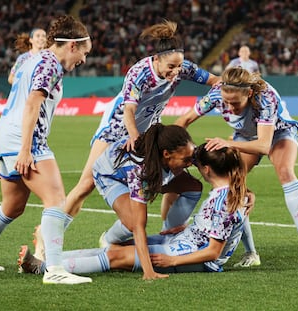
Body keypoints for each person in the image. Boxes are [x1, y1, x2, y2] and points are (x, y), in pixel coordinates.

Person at [30, 20, 220, 261]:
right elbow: (129, 109)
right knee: (85, 185)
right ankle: (46, 241)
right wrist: (134, 137)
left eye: (179, 67)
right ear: (157, 59)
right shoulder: (140, 72)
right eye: (171, 67)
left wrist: (232, 86)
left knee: (161, 180)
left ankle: (133, 236)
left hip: (147, 134)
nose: (175, 73)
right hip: (117, 129)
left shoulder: (182, 68)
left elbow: (215, 81)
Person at [0, 15, 93, 285]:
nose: (84, 59)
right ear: (71, 46)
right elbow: (33, 104)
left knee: (12, 207)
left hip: (5, 135)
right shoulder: (51, 64)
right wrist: (24, 150)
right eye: (84, 52)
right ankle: (54, 269)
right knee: (56, 198)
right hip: (23, 139)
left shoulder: (31, 59)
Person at [18, 143, 252, 276]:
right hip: (184, 241)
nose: (191, 167)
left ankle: (43, 267)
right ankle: (52, 259)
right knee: (118, 247)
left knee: (116, 256)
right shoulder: (231, 192)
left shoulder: (224, 201)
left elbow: (213, 252)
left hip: (191, 256)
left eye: (196, 165)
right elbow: (222, 228)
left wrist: (171, 262)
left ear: (207, 169)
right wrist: (186, 228)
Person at [175, 67, 298, 266]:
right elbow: (184, 120)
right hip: (244, 135)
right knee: (230, 185)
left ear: (249, 93)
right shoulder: (217, 93)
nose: (229, 107)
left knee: (285, 172)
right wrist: (170, 145)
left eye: (235, 103)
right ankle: (251, 254)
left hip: (278, 132)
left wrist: (229, 144)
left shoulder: (265, 99)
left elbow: (263, 145)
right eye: (226, 102)